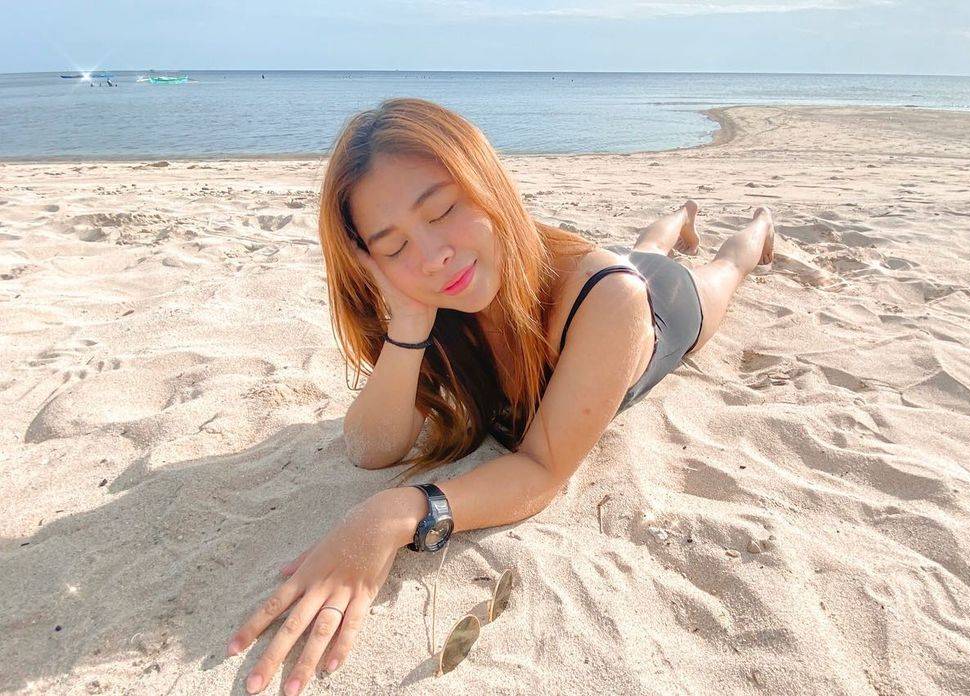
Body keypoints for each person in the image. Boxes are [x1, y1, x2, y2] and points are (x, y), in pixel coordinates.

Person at [226, 97, 775, 695]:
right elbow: (369, 448)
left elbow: (541, 468)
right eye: (393, 246)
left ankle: (758, 227)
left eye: (441, 210)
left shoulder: (611, 301)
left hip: (660, 308)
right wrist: (408, 319)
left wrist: (396, 513)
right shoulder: (436, 296)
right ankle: (677, 218)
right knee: (644, 244)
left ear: (487, 180)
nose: (432, 256)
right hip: (601, 273)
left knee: (724, 270)